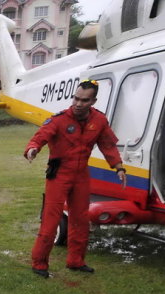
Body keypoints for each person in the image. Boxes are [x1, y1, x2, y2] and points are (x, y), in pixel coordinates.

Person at [24, 80, 127, 278]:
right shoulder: (59, 119)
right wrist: (32, 149)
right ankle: (39, 263)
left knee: (80, 219)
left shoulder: (99, 121)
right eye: (76, 99)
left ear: (93, 101)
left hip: (81, 175)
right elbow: (41, 136)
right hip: (59, 174)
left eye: (84, 100)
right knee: (51, 219)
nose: (78, 104)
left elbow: (108, 145)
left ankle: (76, 261)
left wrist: (118, 167)